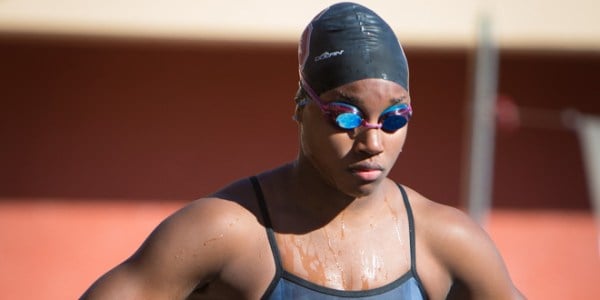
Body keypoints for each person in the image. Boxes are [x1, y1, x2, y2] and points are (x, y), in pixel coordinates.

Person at [81, 2, 523, 299]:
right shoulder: (224, 232)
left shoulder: (446, 241)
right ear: (301, 108)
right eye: (346, 117)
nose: (372, 143)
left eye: (394, 120)